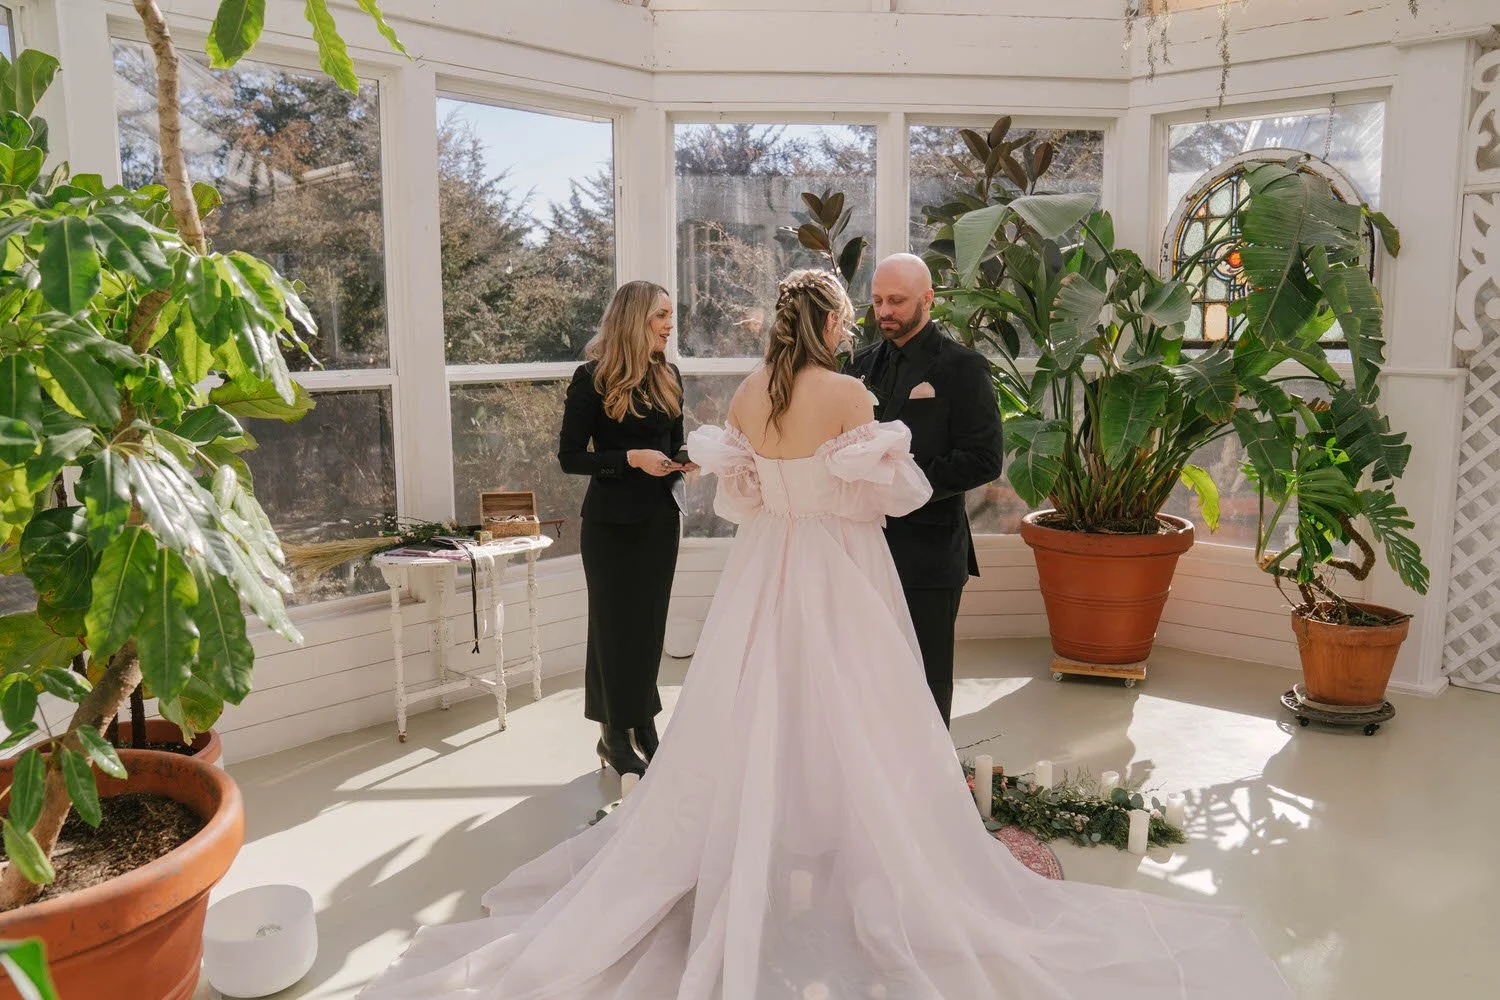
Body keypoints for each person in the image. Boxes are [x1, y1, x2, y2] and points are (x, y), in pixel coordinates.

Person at [358, 268, 1291, 1000]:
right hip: (841, 571)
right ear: (833, 324)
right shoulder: (848, 396)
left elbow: (742, 496)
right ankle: (850, 838)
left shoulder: (747, 397)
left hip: (766, 573)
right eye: (850, 316)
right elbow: (890, 494)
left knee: (756, 702)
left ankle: (772, 835)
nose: (857, 327)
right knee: (860, 704)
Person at [843, 253, 1004, 727]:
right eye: (877, 301)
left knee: (926, 683)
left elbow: (984, 458)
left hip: (930, 553)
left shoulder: (963, 367)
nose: (884, 311)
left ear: (928, 299)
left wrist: (902, 485)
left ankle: (930, 772)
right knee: (866, 676)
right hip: (860, 548)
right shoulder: (856, 366)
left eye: (896, 300)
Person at [557, 280, 692, 778]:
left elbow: (674, 444)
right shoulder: (591, 378)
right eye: (661, 315)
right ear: (635, 318)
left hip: (660, 521)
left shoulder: (669, 375)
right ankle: (613, 734)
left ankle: (644, 724)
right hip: (611, 528)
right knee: (613, 632)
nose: (669, 325)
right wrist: (630, 458)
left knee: (648, 628)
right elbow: (571, 458)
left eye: (670, 315)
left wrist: (686, 459)